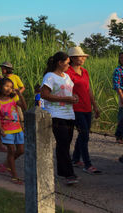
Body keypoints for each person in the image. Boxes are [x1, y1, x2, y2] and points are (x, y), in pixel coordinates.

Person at [41, 51, 80, 185]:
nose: (69, 65)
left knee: (65, 144)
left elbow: (68, 92)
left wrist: (74, 98)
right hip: (56, 114)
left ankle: (63, 171)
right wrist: (64, 98)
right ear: (60, 63)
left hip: (69, 114)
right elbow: (44, 95)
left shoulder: (67, 77)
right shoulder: (50, 77)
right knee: (63, 143)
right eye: (68, 63)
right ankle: (69, 174)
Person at [65, 47, 102, 174]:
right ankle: (88, 164)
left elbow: (88, 89)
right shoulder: (68, 73)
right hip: (75, 108)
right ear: (73, 59)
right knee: (84, 134)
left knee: (84, 134)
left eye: (83, 56)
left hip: (87, 107)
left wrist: (95, 106)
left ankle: (75, 159)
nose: (83, 58)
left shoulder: (84, 72)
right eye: (80, 56)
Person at [0, 78, 27, 184]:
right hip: (7, 130)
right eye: (6, 86)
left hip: (18, 129)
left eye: (11, 87)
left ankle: (7, 164)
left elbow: (25, 107)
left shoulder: (14, 99)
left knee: (21, 150)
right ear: (0, 87)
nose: (9, 89)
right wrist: (0, 129)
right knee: (11, 151)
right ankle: (14, 175)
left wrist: (20, 95)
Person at [112, 52, 123, 144]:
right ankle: (119, 136)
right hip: (122, 93)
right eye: (121, 58)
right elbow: (117, 85)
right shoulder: (118, 70)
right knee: (122, 116)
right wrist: (122, 97)